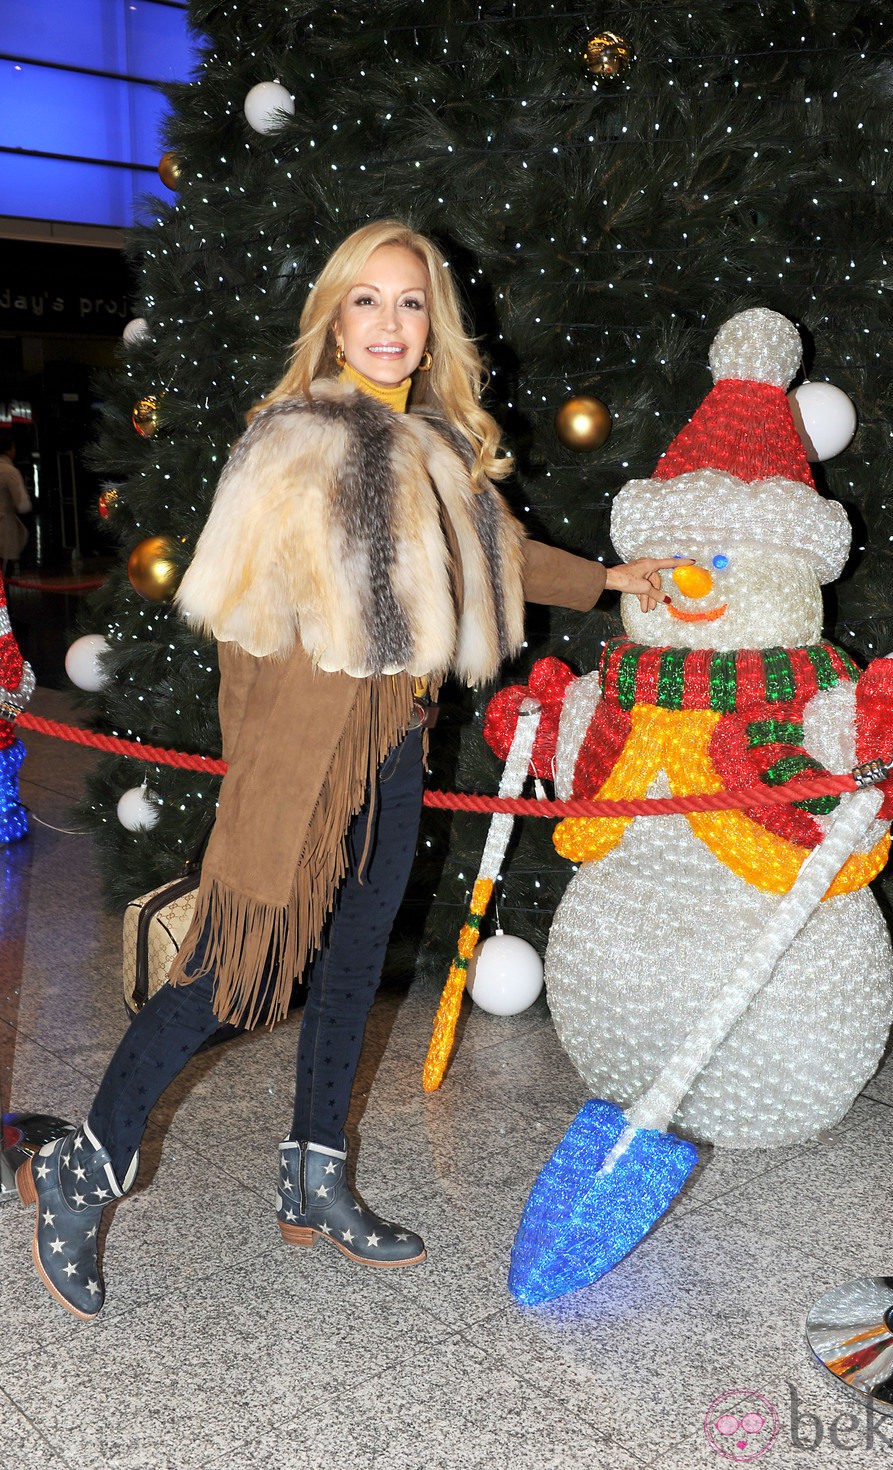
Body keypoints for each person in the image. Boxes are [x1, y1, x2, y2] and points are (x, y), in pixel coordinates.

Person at [17, 220, 682, 1320]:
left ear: (432, 326)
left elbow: (502, 555)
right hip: (299, 753)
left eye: (409, 303)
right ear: (333, 317)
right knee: (223, 977)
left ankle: (313, 1174)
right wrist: (263, 780)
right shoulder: (286, 442)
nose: (387, 323)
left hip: (395, 748)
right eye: (365, 301)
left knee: (353, 965)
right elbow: (237, 627)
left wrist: (612, 578)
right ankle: (81, 1168)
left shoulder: (437, 445)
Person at [0, 435, 31, 577]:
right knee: (4, 579)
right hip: (4, 532)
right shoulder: (10, 471)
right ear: (10, 449)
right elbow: (23, 504)